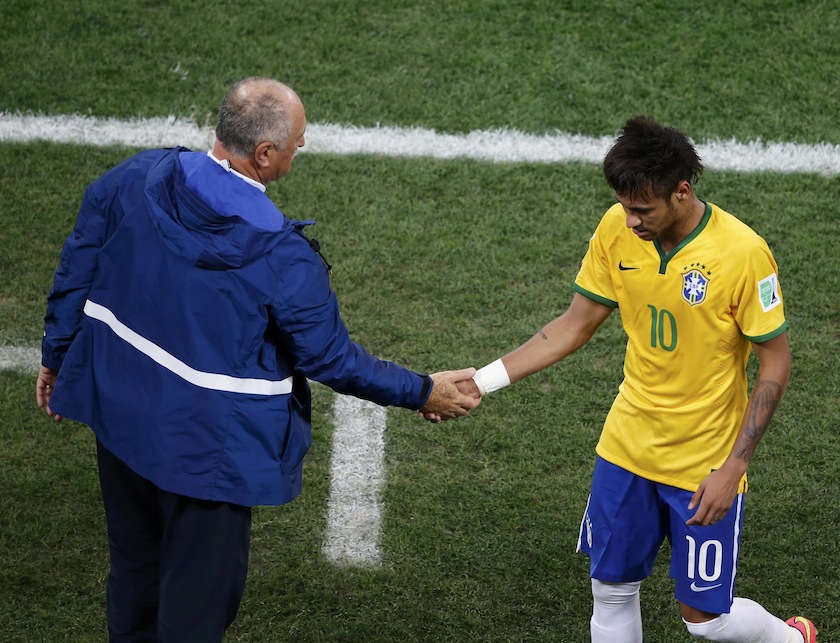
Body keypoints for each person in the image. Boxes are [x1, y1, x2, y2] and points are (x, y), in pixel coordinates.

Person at [36, 76, 480, 643]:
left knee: (135, 573)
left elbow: (79, 261)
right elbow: (332, 358)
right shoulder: (282, 257)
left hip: (122, 422)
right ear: (265, 154)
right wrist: (423, 389)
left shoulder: (137, 175)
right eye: (298, 140)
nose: (301, 148)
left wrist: (57, 357)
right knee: (196, 611)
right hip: (207, 457)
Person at [461, 117, 816, 642]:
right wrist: (481, 381)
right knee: (611, 589)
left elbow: (776, 361)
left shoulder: (743, 254)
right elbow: (575, 324)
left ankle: (789, 639)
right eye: (625, 206)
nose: (630, 221)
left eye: (642, 209)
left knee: (707, 622)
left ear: (682, 191)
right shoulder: (616, 229)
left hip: (703, 464)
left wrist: (734, 467)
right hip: (626, 448)